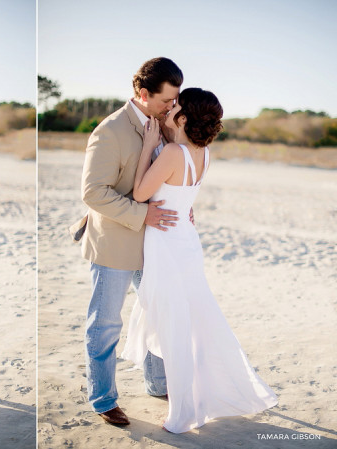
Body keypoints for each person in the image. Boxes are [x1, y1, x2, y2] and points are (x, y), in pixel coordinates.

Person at [121, 88, 278, 433]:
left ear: (184, 116)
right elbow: (182, 199)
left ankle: (182, 413)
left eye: (175, 105)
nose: (170, 107)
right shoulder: (204, 154)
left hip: (165, 244)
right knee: (192, 321)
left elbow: (140, 195)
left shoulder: (174, 152)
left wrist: (148, 147)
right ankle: (197, 395)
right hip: (187, 243)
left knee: (174, 325)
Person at [76, 57, 185, 425]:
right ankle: (103, 398)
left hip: (156, 245)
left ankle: (158, 384)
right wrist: (142, 215)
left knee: (158, 314)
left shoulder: (166, 125)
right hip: (115, 244)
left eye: (176, 99)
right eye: (166, 100)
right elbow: (93, 192)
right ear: (142, 94)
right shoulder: (110, 131)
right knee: (106, 324)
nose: (173, 106)